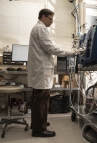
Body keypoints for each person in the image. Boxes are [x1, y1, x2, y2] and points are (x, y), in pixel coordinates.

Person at [27, 8, 76, 137]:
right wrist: (69, 53)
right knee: (42, 99)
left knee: (37, 98)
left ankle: (37, 123)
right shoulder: (41, 28)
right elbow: (50, 47)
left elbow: (48, 46)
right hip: (41, 70)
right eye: (50, 19)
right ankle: (39, 129)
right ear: (43, 17)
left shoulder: (38, 28)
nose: (52, 22)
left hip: (40, 69)